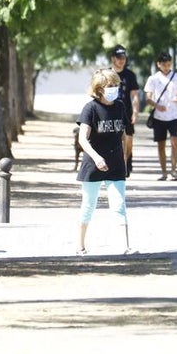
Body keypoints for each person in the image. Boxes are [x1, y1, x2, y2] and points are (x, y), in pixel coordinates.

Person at [76, 68, 131, 255]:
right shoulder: (90, 109)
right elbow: (82, 139)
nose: (114, 89)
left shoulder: (120, 106)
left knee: (119, 204)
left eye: (116, 85)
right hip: (93, 163)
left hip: (116, 163)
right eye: (110, 86)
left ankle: (125, 246)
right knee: (88, 205)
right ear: (99, 89)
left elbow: (124, 134)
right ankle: (80, 245)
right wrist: (96, 157)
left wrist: (126, 156)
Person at [144, 51, 177, 181]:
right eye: (164, 65)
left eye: (169, 64)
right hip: (159, 116)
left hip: (174, 114)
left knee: (175, 141)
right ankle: (164, 172)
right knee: (161, 144)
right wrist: (157, 106)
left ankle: (174, 170)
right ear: (159, 64)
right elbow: (148, 98)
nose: (167, 67)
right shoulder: (153, 79)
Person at [109, 45, 140, 175]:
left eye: (123, 58)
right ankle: (113, 166)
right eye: (118, 58)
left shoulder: (130, 75)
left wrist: (135, 111)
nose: (121, 60)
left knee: (128, 140)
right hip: (109, 112)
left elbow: (134, 95)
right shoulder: (107, 74)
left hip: (125, 112)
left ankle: (126, 164)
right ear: (113, 58)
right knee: (110, 140)